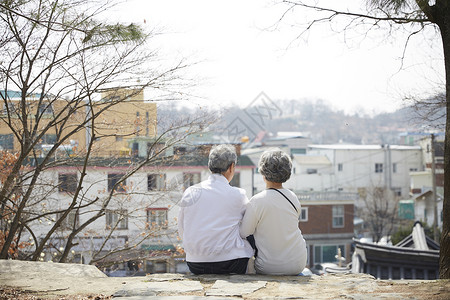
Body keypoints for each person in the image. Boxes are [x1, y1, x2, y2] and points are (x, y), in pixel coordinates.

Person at [178, 144, 254, 274]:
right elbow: (250, 226)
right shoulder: (238, 194)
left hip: (195, 263)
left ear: (210, 166)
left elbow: (182, 229)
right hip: (231, 262)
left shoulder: (190, 192)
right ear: (231, 167)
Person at [240, 149, 307, 275]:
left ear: (263, 172)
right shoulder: (293, 197)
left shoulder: (257, 201)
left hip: (268, 267)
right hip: (298, 264)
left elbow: (244, 232)